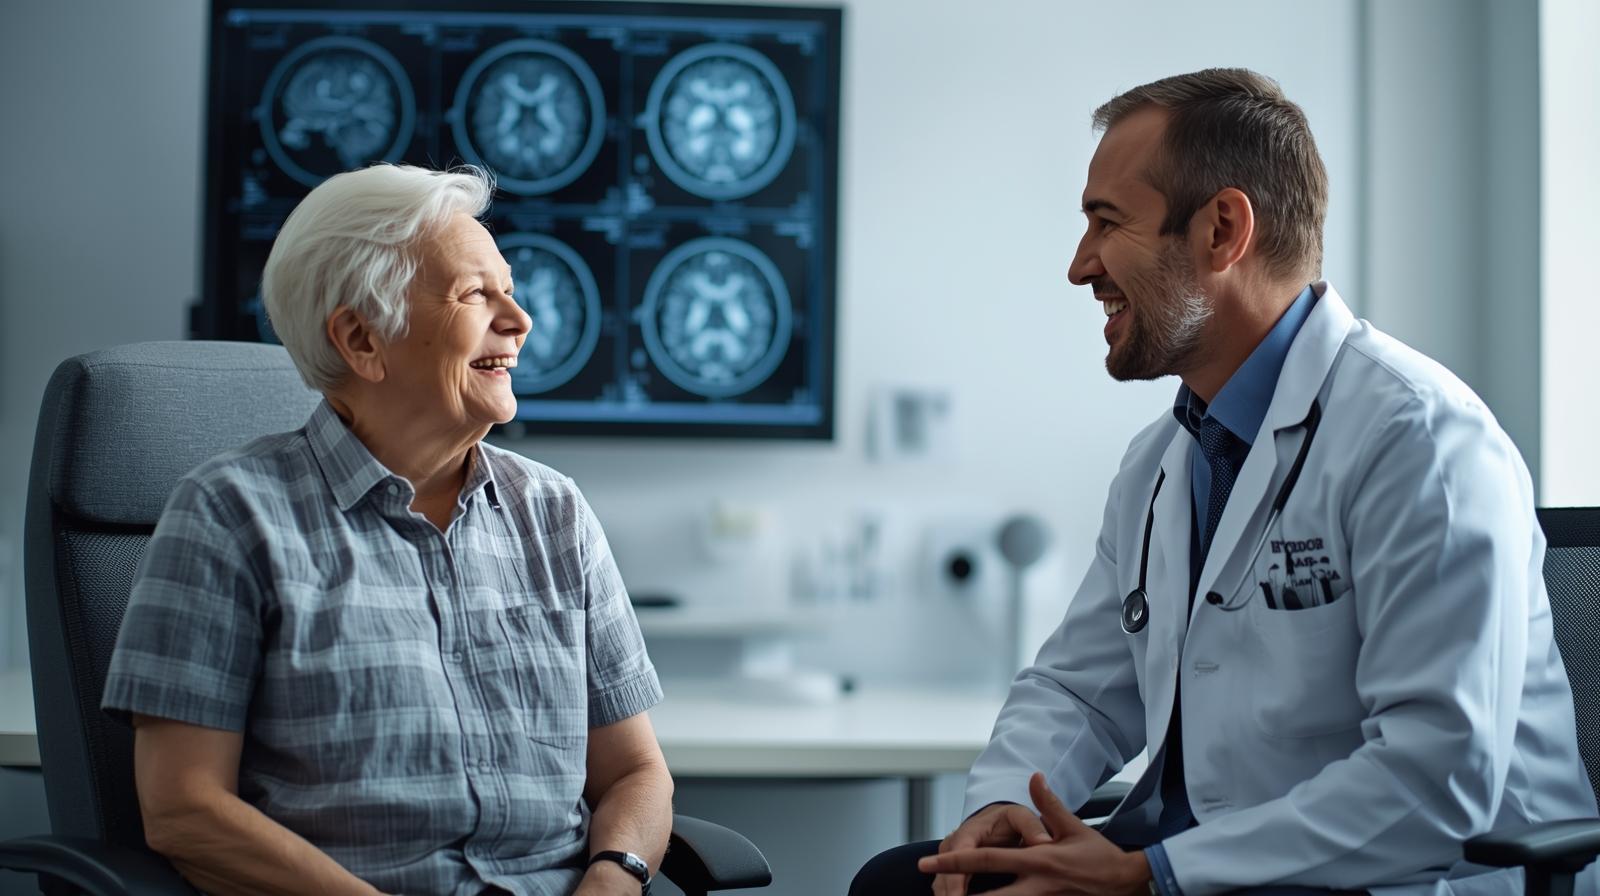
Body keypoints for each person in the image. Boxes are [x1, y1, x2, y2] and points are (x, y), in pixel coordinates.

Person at [853, 68, 1597, 896]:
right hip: (1197, 860)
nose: (1079, 266)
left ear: (1221, 230)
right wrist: (1002, 807)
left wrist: (1150, 875)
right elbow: (1078, 691)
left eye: (1107, 223)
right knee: (906, 882)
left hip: (1393, 877)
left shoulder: (1420, 440)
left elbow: (1438, 781)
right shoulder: (1163, 459)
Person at [102, 164, 671, 896]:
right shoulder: (229, 515)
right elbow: (184, 810)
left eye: (511, 288)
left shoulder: (555, 512)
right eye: (476, 294)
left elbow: (635, 772)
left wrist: (614, 879)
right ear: (361, 339)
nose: (519, 320)